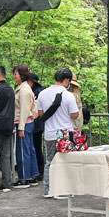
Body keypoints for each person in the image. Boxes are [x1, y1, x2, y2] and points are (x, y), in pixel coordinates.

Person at [35, 68, 80, 198]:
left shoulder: (43, 93)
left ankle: (49, 190)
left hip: (50, 133)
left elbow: (41, 114)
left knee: (50, 161)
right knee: (66, 162)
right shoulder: (68, 95)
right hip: (65, 133)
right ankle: (62, 190)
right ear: (66, 80)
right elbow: (75, 115)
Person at [12, 64, 38, 189]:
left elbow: (23, 110)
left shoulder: (23, 90)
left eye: (16, 74)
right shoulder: (26, 88)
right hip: (28, 122)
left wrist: (21, 127)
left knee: (22, 152)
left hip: (24, 123)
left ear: (21, 75)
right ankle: (33, 175)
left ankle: (24, 178)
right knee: (30, 150)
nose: (14, 76)